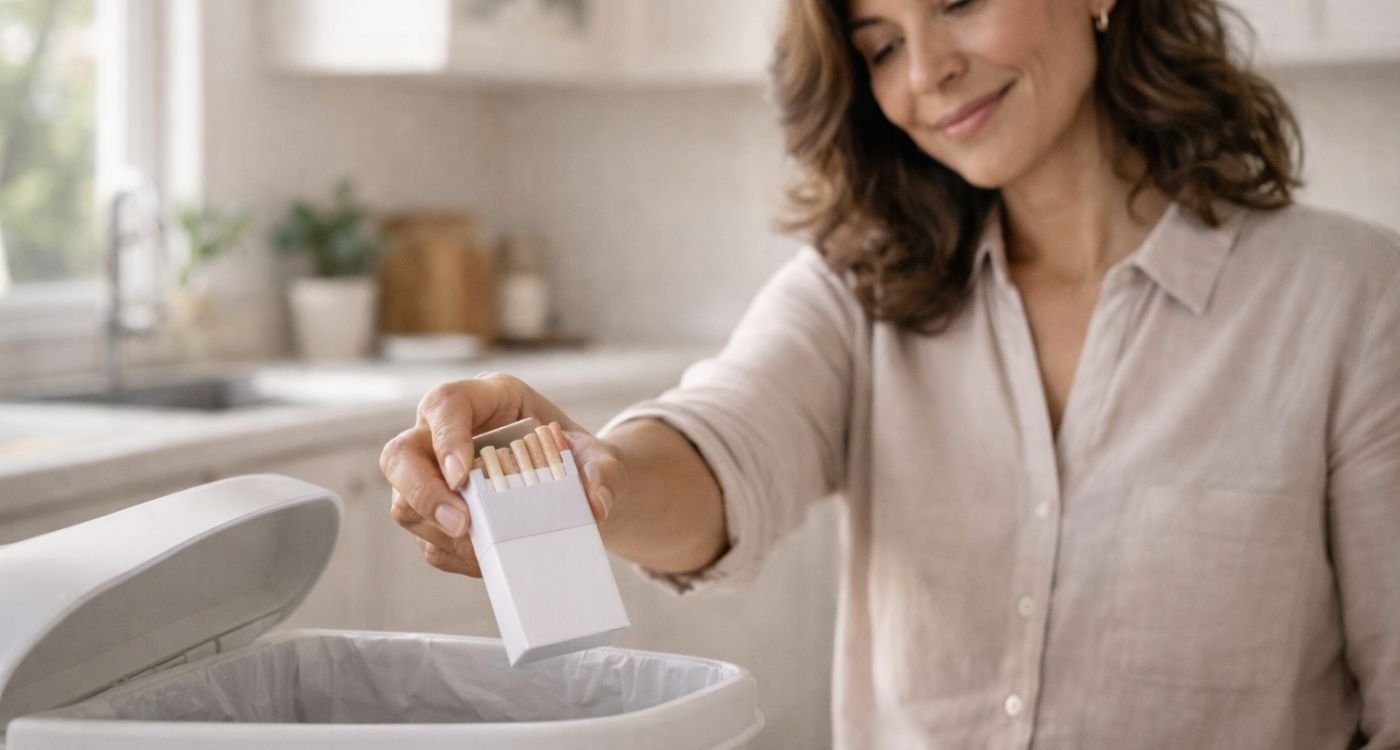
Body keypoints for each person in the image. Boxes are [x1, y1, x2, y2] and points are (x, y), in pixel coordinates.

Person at [380, 0, 1400, 746]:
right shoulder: (860, 289)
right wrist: (583, 472)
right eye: (880, 45)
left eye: (958, 3)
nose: (927, 73)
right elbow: (725, 438)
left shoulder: (1351, 303)